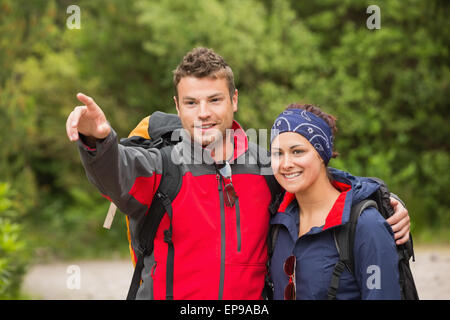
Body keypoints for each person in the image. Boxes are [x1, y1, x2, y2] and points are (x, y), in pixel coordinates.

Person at [65, 47, 410, 300]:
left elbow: (319, 180)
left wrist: (381, 200)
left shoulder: (268, 168)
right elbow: (118, 173)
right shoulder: (161, 167)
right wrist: (99, 140)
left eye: (214, 100)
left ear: (234, 100)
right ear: (176, 105)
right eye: (191, 103)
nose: (203, 113)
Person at [269, 103, 402, 299]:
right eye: (277, 153)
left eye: (297, 151)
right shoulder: (276, 221)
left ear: (322, 154)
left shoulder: (367, 226)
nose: (286, 164)